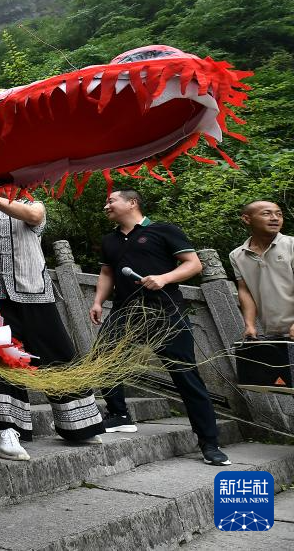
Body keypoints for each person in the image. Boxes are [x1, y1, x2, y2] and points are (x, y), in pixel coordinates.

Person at [90, 189, 230, 466]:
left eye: (111, 201)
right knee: (103, 361)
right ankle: (119, 414)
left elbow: (193, 264)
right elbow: (107, 273)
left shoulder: (163, 230)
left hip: (166, 312)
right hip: (124, 312)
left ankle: (209, 442)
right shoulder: (109, 240)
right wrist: (97, 302)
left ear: (132, 203)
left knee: (185, 375)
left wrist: (165, 278)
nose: (106, 206)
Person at [0, 197, 104, 461]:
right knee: (3, 359)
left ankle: (79, 425)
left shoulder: (31, 202)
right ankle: (6, 429)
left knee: (60, 354)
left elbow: (34, 216)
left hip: (35, 292)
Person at [229, 200, 294, 340]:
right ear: (247, 219)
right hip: (273, 333)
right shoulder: (237, 255)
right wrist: (250, 325)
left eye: (279, 214)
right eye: (266, 213)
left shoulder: (291, 245)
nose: (275, 218)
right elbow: (245, 290)